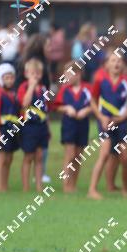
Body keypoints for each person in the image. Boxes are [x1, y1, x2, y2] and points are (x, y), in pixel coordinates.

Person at [88, 51, 127, 199]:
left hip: (121, 123)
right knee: (104, 154)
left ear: (123, 64)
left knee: (125, 158)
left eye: (119, 60)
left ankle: (125, 189)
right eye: (113, 60)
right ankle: (92, 190)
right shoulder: (100, 80)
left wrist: (122, 117)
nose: (116, 63)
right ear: (106, 65)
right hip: (105, 123)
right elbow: (93, 101)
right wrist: (101, 117)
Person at [53, 62, 91, 193]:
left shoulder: (88, 89)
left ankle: (73, 185)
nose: (66, 77)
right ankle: (66, 185)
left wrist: (86, 110)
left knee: (78, 156)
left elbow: (95, 105)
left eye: (68, 74)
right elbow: (57, 107)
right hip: (69, 125)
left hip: (83, 125)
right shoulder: (64, 90)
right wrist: (67, 108)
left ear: (78, 74)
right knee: (70, 154)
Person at [18, 58, 51, 192]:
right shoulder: (24, 87)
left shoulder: (43, 89)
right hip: (29, 127)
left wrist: (48, 128)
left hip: (41, 127)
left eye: (38, 73)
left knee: (39, 157)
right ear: (26, 74)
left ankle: (39, 186)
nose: (36, 76)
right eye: (33, 73)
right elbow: (24, 103)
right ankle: (25, 187)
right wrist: (31, 87)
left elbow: (46, 110)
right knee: (29, 156)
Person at [0, 63, 20, 191]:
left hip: (12, 130)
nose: (10, 80)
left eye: (11, 77)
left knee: (9, 158)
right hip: (2, 130)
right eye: (6, 78)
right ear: (0, 79)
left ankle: (5, 185)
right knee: (1, 159)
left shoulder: (14, 95)